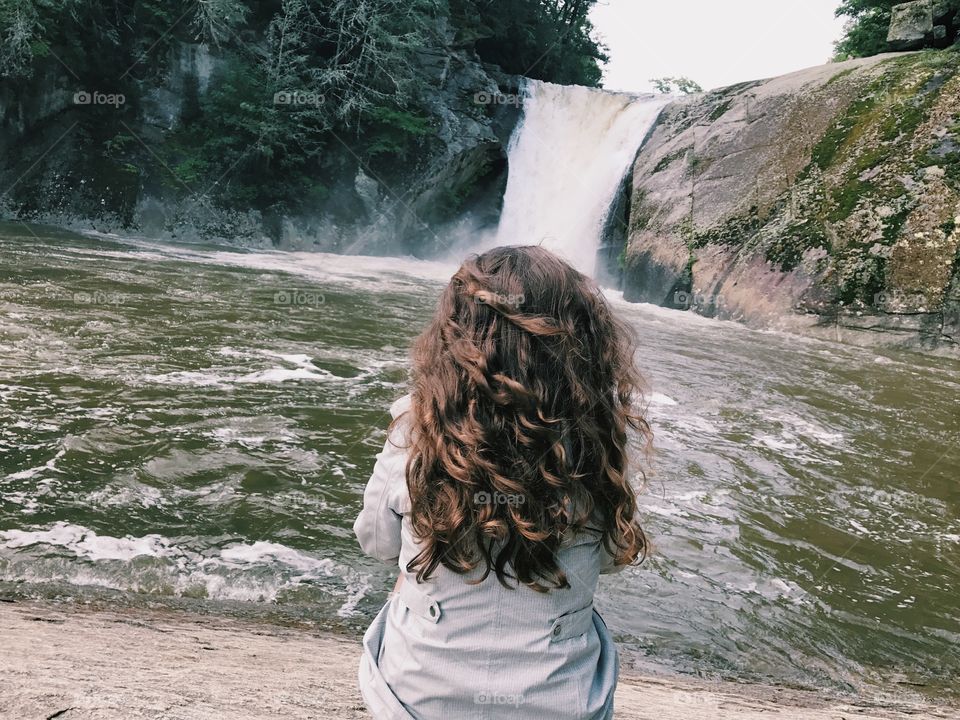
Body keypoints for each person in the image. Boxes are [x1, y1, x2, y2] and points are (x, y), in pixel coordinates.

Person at [354, 245, 651, 719]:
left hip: (420, 699)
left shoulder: (416, 426)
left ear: (452, 339)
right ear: (585, 345)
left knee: (405, 587)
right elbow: (614, 558)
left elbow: (376, 541)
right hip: (559, 704)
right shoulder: (596, 436)